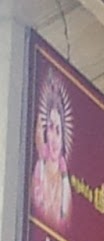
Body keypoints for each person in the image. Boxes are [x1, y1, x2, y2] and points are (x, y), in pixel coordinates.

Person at [30, 72, 73, 229]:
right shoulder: (39, 171)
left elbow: (65, 224)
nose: (54, 138)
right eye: (50, 128)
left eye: (58, 131)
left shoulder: (64, 183)